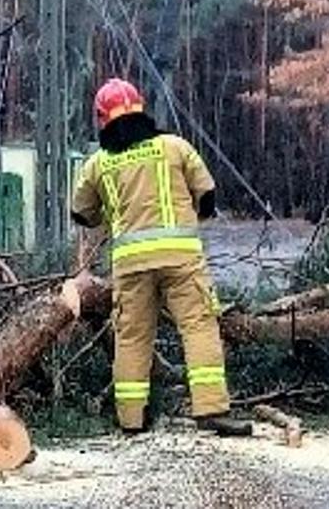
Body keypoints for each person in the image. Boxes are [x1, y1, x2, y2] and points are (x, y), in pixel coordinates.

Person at [70, 78, 252, 437]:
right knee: (199, 327)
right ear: (141, 109)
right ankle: (211, 410)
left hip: (130, 266)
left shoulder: (97, 164)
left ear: (102, 119)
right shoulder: (174, 146)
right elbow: (208, 195)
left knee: (132, 337)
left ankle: (131, 420)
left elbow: (82, 213)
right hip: (181, 259)